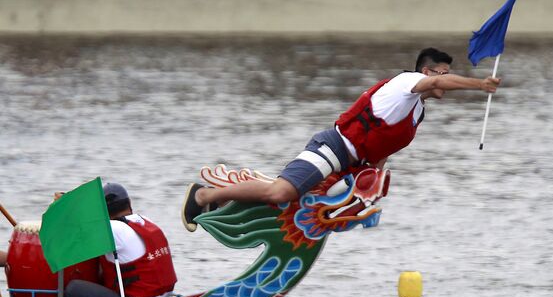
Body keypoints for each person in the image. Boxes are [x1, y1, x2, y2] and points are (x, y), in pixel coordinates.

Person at [182, 47, 501, 232]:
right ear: (428, 72)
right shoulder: (405, 83)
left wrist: (371, 185)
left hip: (350, 165)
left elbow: (383, 150)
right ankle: (204, 196)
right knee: (281, 191)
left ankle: (237, 204)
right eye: (442, 73)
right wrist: (479, 85)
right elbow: (444, 82)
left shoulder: (416, 112)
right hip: (333, 148)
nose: (445, 81)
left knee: (301, 203)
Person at [65, 182, 178, 297]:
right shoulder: (146, 221)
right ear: (129, 203)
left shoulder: (112, 229)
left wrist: (65, 207)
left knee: (73, 288)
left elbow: (73, 234)